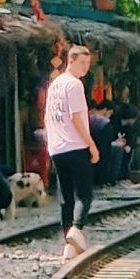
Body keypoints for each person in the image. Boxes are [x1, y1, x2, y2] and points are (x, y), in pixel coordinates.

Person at [43, 41, 98, 258]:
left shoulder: (54, 85)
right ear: (71, 61)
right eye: (82, 62)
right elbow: (76, 117)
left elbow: (47, 116)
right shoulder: (74, 85)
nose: (85, 67)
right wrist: (91, 144)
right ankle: (76, 228)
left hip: (57, 147)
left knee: (65, 196)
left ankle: (69, 244)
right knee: (84, 194)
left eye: (88, 63)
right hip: (75, 145)